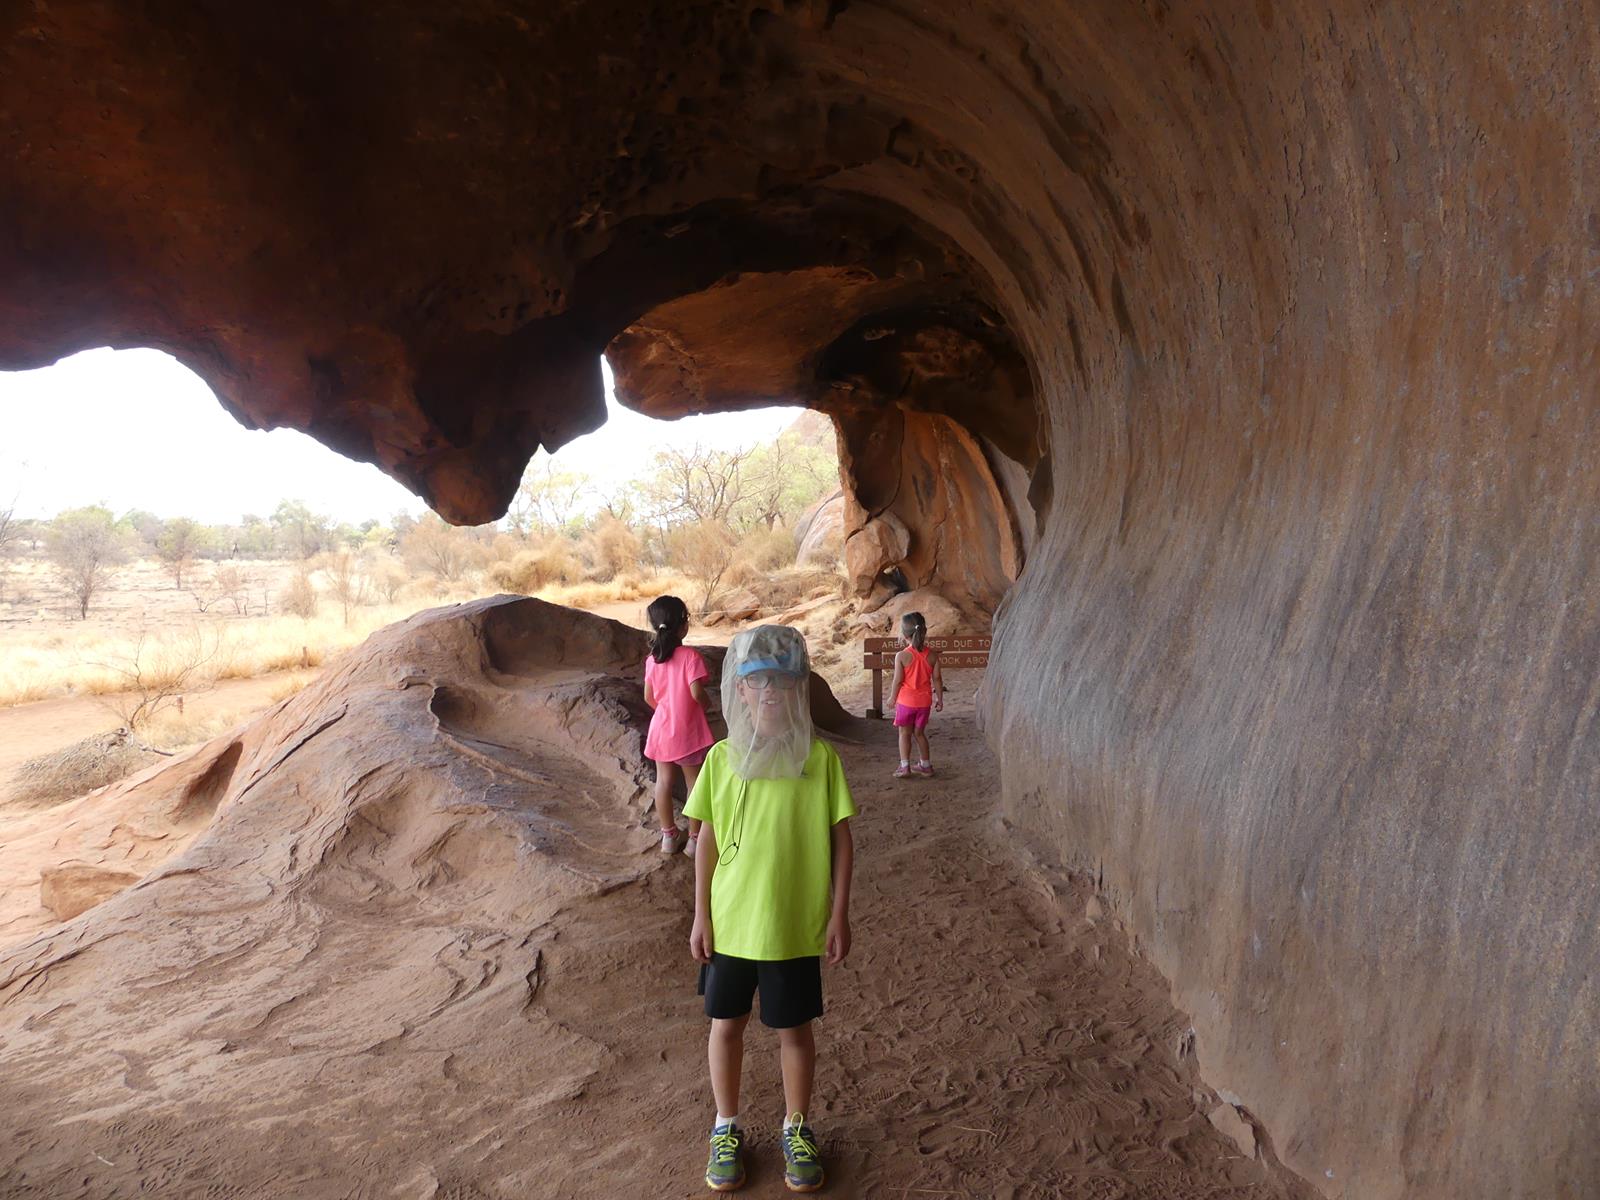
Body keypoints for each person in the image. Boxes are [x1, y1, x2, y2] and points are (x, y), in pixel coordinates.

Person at [685, 625, 855, 1193]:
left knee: (793, 1030)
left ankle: (797, 1126)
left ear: (797, 688)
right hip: (732, 923)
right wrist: (701, 915)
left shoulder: (818, 760)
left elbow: (841, 839)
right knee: (724, 1024)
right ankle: (725, 1125)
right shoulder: (721, 759)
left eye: (781, 682)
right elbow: (706, 837)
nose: (769, 694)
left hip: (791, 924)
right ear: (739, 690)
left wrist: (838, 913)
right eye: (756, 683)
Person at [644, 595, 715, 855]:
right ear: (683, 625)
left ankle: (668, 836)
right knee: (693, 784)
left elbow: (648, 697)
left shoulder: (653, 659)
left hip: (662, 730)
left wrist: (666, 712)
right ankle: (695, 840)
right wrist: (705, 707)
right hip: (688, 732)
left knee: (663, 782)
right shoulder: (690, 657)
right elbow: (697, 692)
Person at [887, 611, 943, 778]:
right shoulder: (932, 655)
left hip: (906, 702)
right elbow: (938, 679)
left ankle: (905, 766)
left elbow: (897, 681)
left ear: (904, 634)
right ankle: (925, 765)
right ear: (923, 631)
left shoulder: (902, 656)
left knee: (904, 733)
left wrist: (892, 697)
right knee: (919, 733)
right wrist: (940, 699)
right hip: (924, 703)